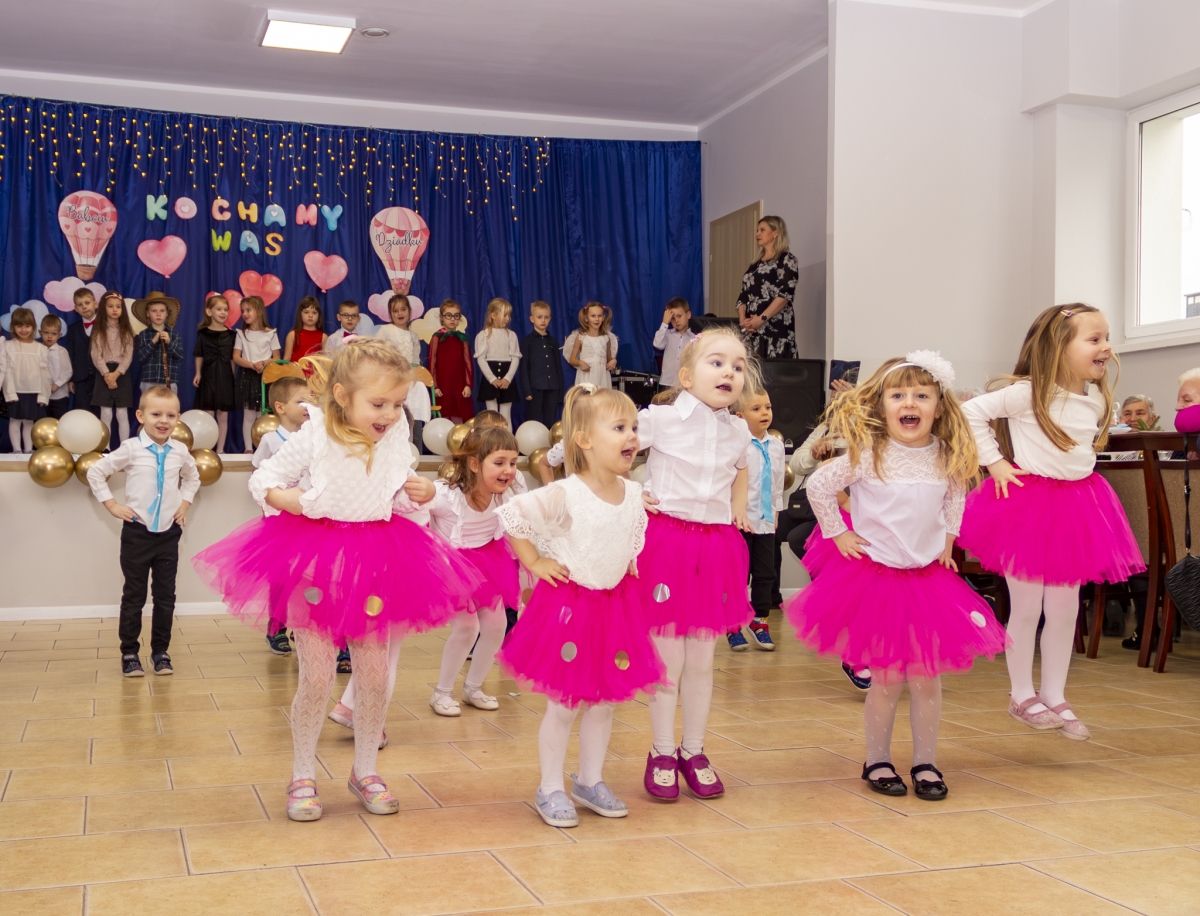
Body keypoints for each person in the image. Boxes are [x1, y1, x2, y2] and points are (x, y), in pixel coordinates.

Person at [192, 338, 483, 822]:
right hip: (316, 562)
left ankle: (364, 769)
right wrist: (292, 502)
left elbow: (394, 497)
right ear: (343, 396)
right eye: (379, 403)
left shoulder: (395, 436)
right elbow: (262, 480)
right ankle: (302, 774)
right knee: (318, 675)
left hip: (375, 560)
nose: (390, 414)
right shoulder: (316, 434)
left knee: (375, 675)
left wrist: (420, 493)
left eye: (397, 404)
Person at [787, 353, 1007, 800]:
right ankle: (877, 759)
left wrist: (949, 538)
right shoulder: (869, 454)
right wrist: (837, 533)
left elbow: (955, 493)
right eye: (899, 395)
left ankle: (925, 761)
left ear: (939, 407)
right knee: (887, 678)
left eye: (922, 396)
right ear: (882, 405)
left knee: (927, 678)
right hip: (878, 580)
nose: (910, 403)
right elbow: (819, 486)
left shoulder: (945, 454)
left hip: (927, 581)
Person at [959, 304, 1144, 741]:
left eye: (1106, 338)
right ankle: (1021, 694)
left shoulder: (1095, 397)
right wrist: (995, 463)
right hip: (1028, 508)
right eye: (1094, 339)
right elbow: (970, 413)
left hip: (1078, 509)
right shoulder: (1028, 393)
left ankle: (1055, 695)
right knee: (1027, 607)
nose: (1106, 347)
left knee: (1065, 608)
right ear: (1059, 348)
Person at [496, 386, 665, 827]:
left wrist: (628, 561)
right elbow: (513, 515)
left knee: (605, 702)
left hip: (614, 608)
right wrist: (534, 561)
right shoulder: (567, 492)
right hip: (570, 609)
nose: (632, 436)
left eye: (634, 427)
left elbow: (628, 536)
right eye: (619, 427)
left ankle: (590, 780)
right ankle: (550, 786)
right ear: (585, 440)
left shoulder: (633, 492)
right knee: (564, 703)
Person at [635, 327, 756, 801]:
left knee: (703, 661)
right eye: (717, 362)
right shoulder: (660, 419)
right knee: (670, 658)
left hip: (716, 548)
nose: (730, 371)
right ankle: (662, 749)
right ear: (686, 377)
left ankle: (694, 750)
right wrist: (629, 491)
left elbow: (741, 467)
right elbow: (608, 447)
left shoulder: (739, 429)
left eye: (738, 365)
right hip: (667, 545)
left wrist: (739, 506)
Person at [88, 386, 200, 677]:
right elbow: (96, 472)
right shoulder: (131, 448)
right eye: (156, 414)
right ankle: (129, 653)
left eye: (171, 415)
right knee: (134, 595)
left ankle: (161, 652)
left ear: (178, 418)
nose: (163, 420)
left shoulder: (180, 450)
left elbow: (193, 478)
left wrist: (184, 504)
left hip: (168, 534)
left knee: (165, 596)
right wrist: (112, 505)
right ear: (140, 416)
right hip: (137, 534)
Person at [426, 426, 522, 716]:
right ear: (474, 464)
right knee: (467, 628)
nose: (508, 470)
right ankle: (442, 692)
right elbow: (419, 507)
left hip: (488, 564)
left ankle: (473, 687)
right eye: (499, 462)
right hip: (451, 566)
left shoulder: (507, 494)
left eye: (513, 463)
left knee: (496, 626)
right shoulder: (447, 498)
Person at [252, 375, 311, 656]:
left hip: (309, 518)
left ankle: (304, 626)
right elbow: (260, 477)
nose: (308, 407)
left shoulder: (315, 438)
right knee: (281, 574)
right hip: (280, 519)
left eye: (311, 401)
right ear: (280, 407)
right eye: (301, 401)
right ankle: (277, 627)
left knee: (308, 574)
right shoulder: (271, 440)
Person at [728, 385, 783, 652]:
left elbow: (778, 483)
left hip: (765, 521)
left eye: (768, 407)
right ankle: (733, 625)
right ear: (739, 416)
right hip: (740, 521)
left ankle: (760, 621)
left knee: (765, 574)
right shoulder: (736, 446)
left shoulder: (777, 446)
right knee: (738, 575)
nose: (765, 413)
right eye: (756, 408)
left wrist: (776, 512)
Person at [736, 215, 799, 360]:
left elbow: (785, 294)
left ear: (775, 233)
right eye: (757, 230)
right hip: (752, 332)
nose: (757, 234)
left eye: (762, 230)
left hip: (776, 331)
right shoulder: (755, 265)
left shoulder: (786, 260)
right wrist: (743, 320)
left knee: (774, 372)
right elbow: (743, 295)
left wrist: (761, 319)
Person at [374, 294, 431, 448]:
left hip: (409, 377)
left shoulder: (413, 336)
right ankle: (389, 445)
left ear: (409, 311)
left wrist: (414, 373)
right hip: (391, 377)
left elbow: (415, 361)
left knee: (419, 388)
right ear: (390, 314)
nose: (400, 313)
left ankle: (416, 445)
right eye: (395, 311)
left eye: (403, 309)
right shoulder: (385, 330)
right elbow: (376, 352)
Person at [233, 296, 281, 453]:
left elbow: (276, 357)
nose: (245, 314)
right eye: (243, 311)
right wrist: (251, 365)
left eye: (249, 310)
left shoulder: (271, 333)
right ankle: (248, 448)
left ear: (259, 311)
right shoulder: (242, 334)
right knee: (248, 415)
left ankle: (261, 448)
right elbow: (236, 357)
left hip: (265, 377)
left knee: (262, 414)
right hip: (247, 376)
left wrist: (264, 362)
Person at [90, 290, 135, 446]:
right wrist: (107, 374)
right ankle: (106, 447)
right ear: (104, 308)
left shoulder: (127, 331)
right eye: (110, 306)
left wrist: (116, 374)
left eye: (118, 306)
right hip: (104, 373)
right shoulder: (98, 330)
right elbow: (96, 354)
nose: (115, 309)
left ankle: (125, 447)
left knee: (122, 413)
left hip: (121, 373)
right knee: (106, 412)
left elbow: (128, 355)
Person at [193, 295, 236, 453]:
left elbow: (232, 359)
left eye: (225, 309)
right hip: (208, 375)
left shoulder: (232, 335)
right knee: (208, 413)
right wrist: (198, 373)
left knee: (223, 414)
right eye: (219, 309)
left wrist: (231, 377)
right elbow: (199, 354)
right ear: (209, 311)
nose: (223, 312)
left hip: (225, 377)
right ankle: (208, 448)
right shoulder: (202, 334)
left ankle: (220, 449)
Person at [4, 307, 50, 452]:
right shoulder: (8, 346)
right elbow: (5, 372)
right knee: (15, 420)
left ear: (33, 327)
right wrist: (9, 393)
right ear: (13, 327)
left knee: (29, 422)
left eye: (27, 326)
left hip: (34, 391)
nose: (23, 330)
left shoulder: (40, 348)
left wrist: (44, 395)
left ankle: (28, 450)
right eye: (19, 326)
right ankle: (17, 450)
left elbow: (45, 375)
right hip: (15, 390)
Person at [475, 297, 522, 426]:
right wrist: (492, 379)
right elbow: (481, 359)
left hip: (507, 375)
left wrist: (508, 378)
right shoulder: (483, 335)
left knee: (506, 414)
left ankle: (507, 438)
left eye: (509, 315)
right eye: (504, 315)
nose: (507, 319)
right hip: (490, 375)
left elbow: (515, 357)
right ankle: (493, 438)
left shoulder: (511, 335)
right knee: (492, 413)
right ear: (493, 315)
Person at [428, 299, 474, 424]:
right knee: (445, 414)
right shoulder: (436, 338)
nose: (452, 319)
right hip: (443, 385)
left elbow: (468, 363)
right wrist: (435, 386)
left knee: (460, 414)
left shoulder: (462, 339)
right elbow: (432, 362)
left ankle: (459, 435)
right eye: (448, 315)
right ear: (442, 318)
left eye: (456, 316)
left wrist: (468, 385)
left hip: (460, 385)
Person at [519, 300, 563, 428]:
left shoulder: (553, 341)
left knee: (550, 419)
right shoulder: (527, 341)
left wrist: (560, 391)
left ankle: (549, 440)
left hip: (552, 386)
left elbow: (558, 367)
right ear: (532, 319)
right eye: (539, 317)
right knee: (534, 420)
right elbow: (524, 367)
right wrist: (527, 390)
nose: (543, 320)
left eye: (546, 317)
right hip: (535, 387)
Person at [133, 292, 183, 397]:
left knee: (169, 406)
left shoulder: (174, 334)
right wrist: (153, 341)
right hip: (149, 381)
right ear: (148, 313)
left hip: (169, 381)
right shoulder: (143, 334)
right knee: (149, 406)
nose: (158, 314)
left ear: (167, 313)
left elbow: (180, 355)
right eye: (154, 311)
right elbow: (141, 358)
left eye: (162, 311)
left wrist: (169, 341)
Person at [565, 302, 618, 390]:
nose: (597, 319)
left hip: (602, 376)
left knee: (602, 397)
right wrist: (580, 363)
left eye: (599, 316)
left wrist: (614, 361)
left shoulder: (606, 338)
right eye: (593, 316)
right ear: (586, 318)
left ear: (603, 317)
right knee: (587, 397)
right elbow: (572, 360)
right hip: (586, 376)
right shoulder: (581, 337)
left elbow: (609, 358)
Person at [65, 287, 100, 415]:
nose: (84, 307)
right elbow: (70, 354)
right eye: (80, 305)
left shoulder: (106, 326)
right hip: (80, 378)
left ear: (95, 304)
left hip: (101, 377)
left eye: (87, 303)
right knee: (82, 412)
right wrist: (70, 379)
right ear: (75, 308)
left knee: (100, 412)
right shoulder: (72, 329)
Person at [652, 298, 695, 389]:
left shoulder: (694, 338)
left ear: (688, 315)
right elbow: (657, 344)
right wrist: (664, 323)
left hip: (685, 382)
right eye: (672, 318)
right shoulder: (667, 334)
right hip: (667, 382)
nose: (676, 321)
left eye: (679, 316)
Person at [40, 314, 72, 420]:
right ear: (40, 333)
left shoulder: (61, 351)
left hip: (59, 396)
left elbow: (67, 371)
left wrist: (56, 384)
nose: (49, 336)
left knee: (59, 422)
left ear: (59, 335)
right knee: (42, 422)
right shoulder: (37, 350)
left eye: (53, 333)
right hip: (41, 396)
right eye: (46, 333)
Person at [283, 297, 326, 362]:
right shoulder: (292, 335)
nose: (310, 315)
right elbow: (286, 360)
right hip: (294, 368)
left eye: (314, 313)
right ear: (300, 314)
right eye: (306, 312)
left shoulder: (324, 337)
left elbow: (325, 362)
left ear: (319, 315)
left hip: (316, 369)